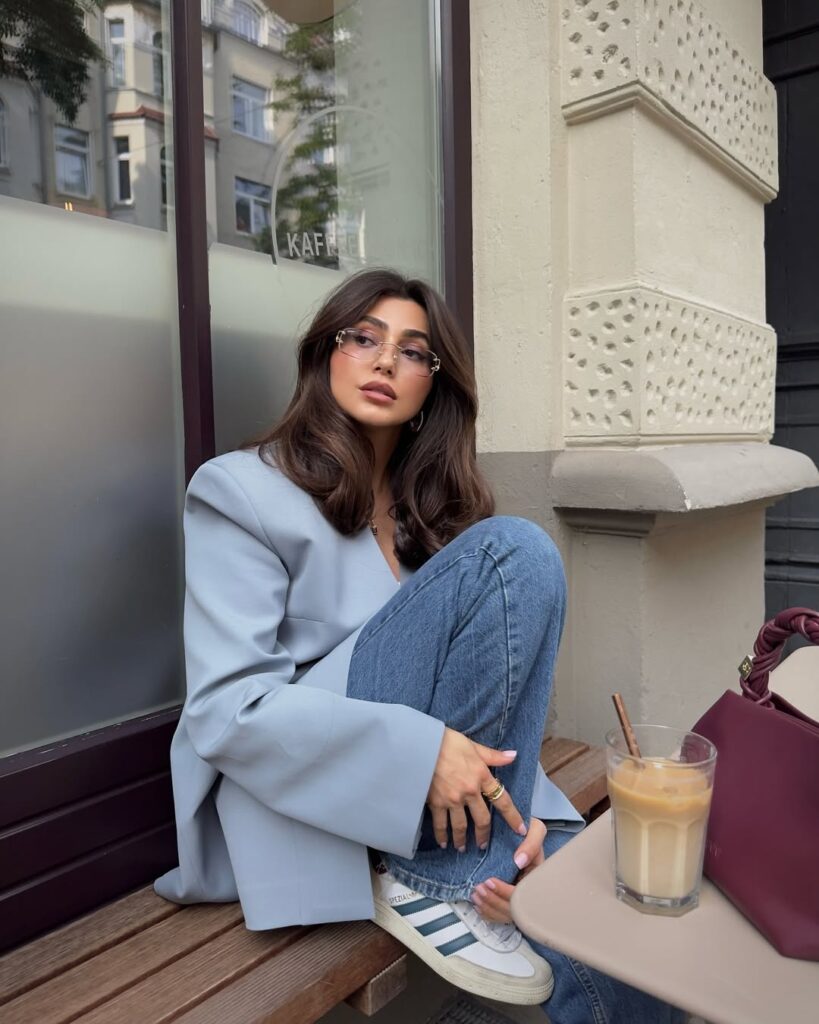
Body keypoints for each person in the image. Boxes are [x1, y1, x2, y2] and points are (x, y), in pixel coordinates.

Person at [156, 268, 683, 1022]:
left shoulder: (430, 513)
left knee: (624, 939)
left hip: (439, 807)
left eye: (411, 352)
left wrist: (523, 817)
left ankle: (476, 857)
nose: (383, 361)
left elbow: (482, 700)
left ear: (433, 385)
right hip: (309, 796)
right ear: (324, 354)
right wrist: (421, 752)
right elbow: (225, 710)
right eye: (362, 338)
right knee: (518, 551)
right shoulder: (239, 490)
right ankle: (441, 875)